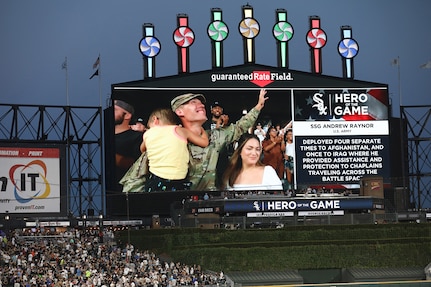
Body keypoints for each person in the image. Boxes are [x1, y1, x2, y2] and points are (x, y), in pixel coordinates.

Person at [171, 89, 268, 191]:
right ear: (179, 111)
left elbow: (239, 127)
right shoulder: (173, 140)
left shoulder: (215, 136)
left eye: (201, 103)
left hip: (213, 200)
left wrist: (259, 106)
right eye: (193, 102)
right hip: (184, 201)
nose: (202, 105)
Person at [140, 108, 209, 192]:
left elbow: (142, 149)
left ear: (155, 120)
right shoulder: (181, 131)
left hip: (156, 178)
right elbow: (204, 143)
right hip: (178, 179)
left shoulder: (148, 133)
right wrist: (201, 129)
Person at [114, 99, 144, 185]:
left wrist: (106, 152)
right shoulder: (103, 135)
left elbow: (134, 164)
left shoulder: (137, 137)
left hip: (124, 187)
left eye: (115, 110)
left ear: (127, 116)